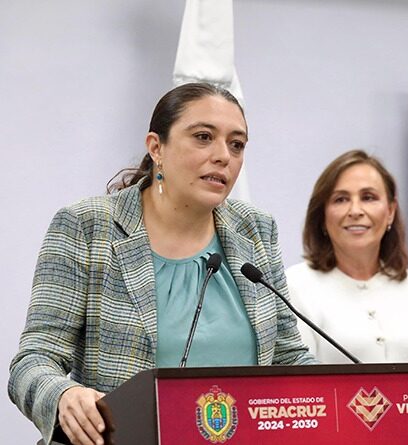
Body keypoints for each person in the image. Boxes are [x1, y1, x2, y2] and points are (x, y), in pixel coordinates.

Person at [8, 83, 315, 445]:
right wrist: (64, 395)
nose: (223, 156)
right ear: (156, 147)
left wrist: (343, 397)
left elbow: (287, 357)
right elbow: (34, 360)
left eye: (236, 144)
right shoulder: (87, 226)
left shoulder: (255, 229)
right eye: (203, 137)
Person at [286, 150, 408, 364]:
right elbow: (298, 379)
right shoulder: (296, 285)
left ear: (390, 211)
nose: (355, 210)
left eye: (368, 197)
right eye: (341, 199)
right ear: (322, 215)